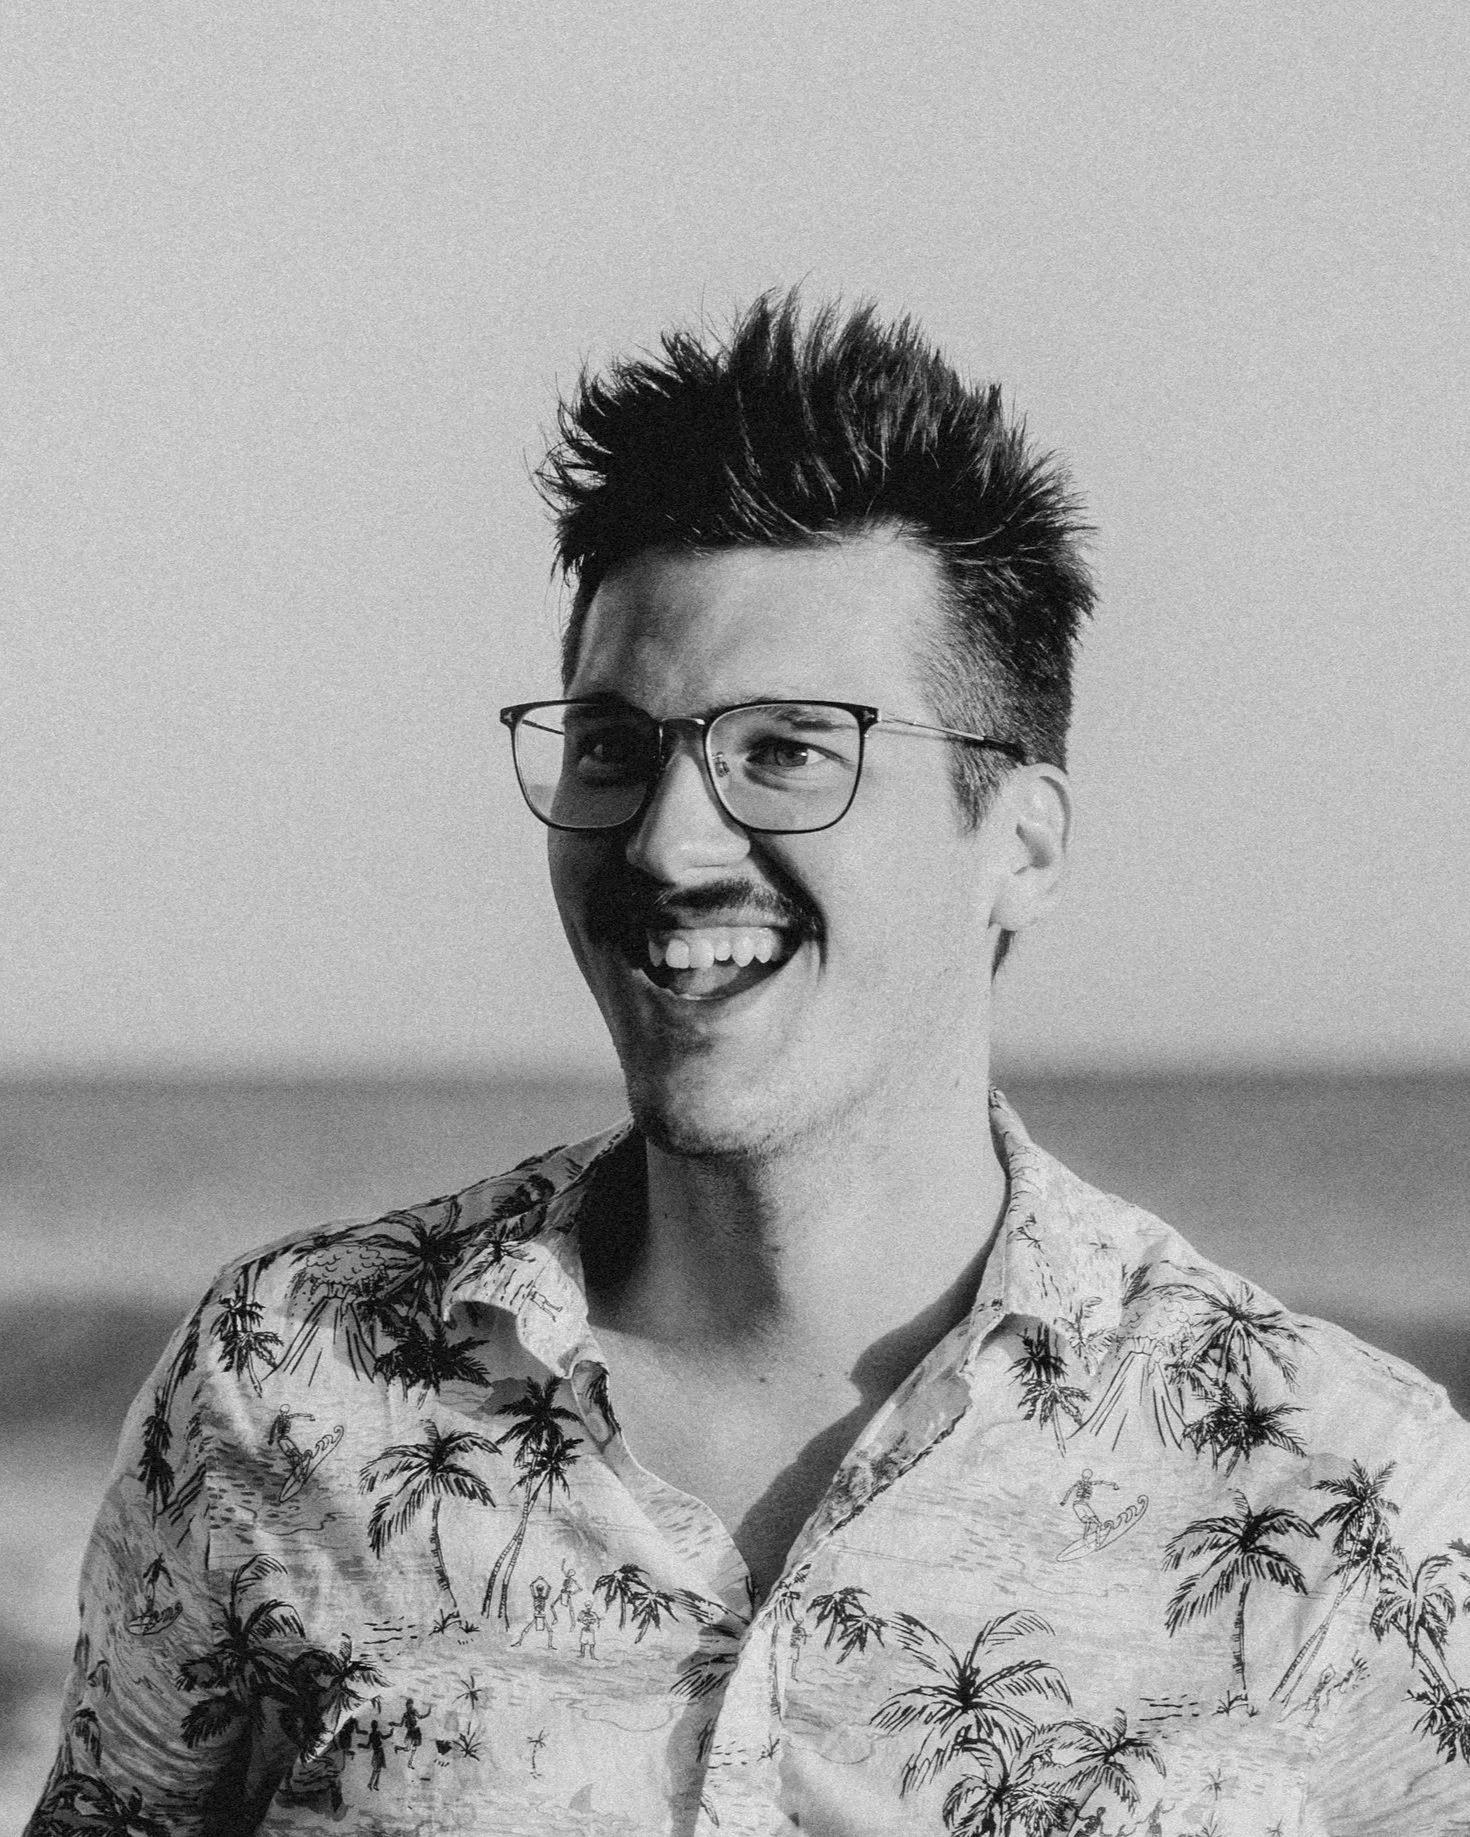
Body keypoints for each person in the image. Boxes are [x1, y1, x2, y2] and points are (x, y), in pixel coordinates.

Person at [26, 293, 1470, 1835]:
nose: (666, 838)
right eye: (613, 746)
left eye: (787, 749)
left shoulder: (1338, 1495)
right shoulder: (292, 1384)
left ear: (1020, 841)